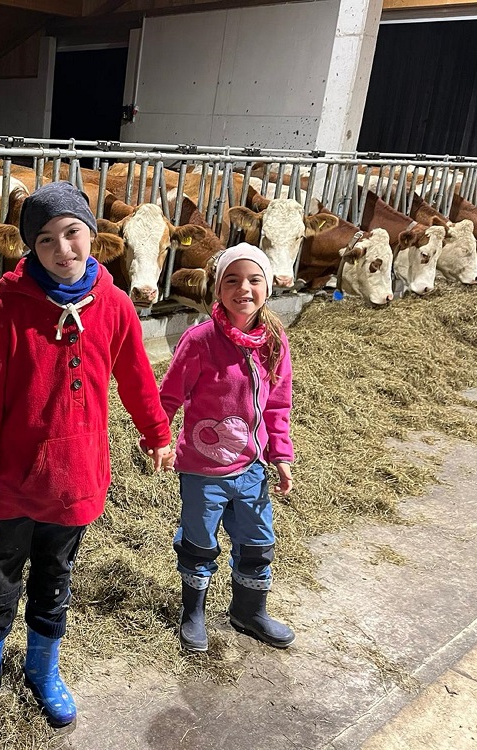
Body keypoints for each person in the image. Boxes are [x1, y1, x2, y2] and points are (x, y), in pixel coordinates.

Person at [0, 180, 173, 729]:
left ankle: (43, 667)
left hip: (76, 481)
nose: (62, 248)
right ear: (31, 248)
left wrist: (157, 433)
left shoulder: (116, 306)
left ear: (93, 235)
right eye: (46, 239)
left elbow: (136, 377)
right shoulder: (6, 312)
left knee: (55, 578)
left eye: (72, 232)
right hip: (12, 485)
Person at [157, 243, 296, 654]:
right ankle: (193, 614)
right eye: (232, 280)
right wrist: (159, 439)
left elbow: (278, 402)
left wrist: (280, 455)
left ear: (268, 287)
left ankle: (248, 612)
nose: (243, 289)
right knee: (199, 542)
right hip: (203, 470)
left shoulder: (273, 341)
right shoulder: (200, 340)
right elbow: (169, 396)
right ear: (217, 289)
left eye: (254, 280)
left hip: (251, 468)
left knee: (258, 541)